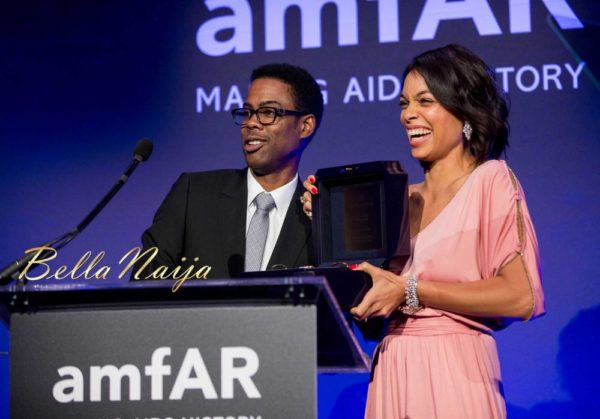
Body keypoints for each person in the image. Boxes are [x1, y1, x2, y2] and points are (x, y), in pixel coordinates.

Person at [302, 44, 545, 418]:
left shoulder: (490, 179)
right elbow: (370, 298)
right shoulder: (396, 196)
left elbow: (520, 296)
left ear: (463, 112)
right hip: (392, 366)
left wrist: (411, 290)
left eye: (424, 101)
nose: (408, 115)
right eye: (403, 104)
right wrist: (327, 223)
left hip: (454, 369)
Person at [133, 63, 323, 279]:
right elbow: (143, 285)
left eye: (268, 112)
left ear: (305, 126)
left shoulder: (318, 218)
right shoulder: (193, 195)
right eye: (247, 112)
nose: (251, 123)